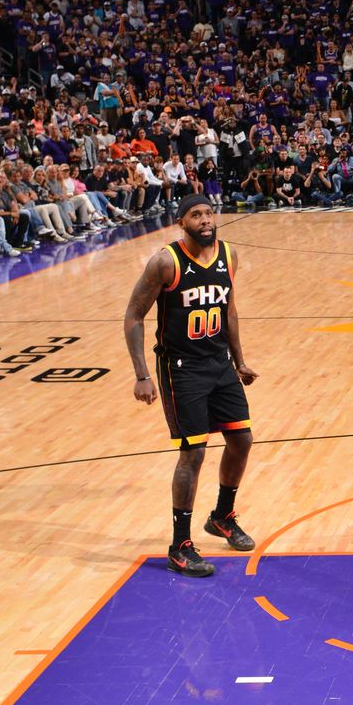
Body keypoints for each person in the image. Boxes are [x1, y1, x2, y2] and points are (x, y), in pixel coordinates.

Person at [123, 194, 259, 577]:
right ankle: (179, 544)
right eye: (195, 215)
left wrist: (239, 359)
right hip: (180, 369)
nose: (205, 220)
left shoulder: (228, 255)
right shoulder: (166, 262)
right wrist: (142, 374)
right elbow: (133, 316)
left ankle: (221, 516)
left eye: (208, 213)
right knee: (193, 453)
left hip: (220, 365)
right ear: (182, 223)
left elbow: (229, 309)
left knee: (241, 440)